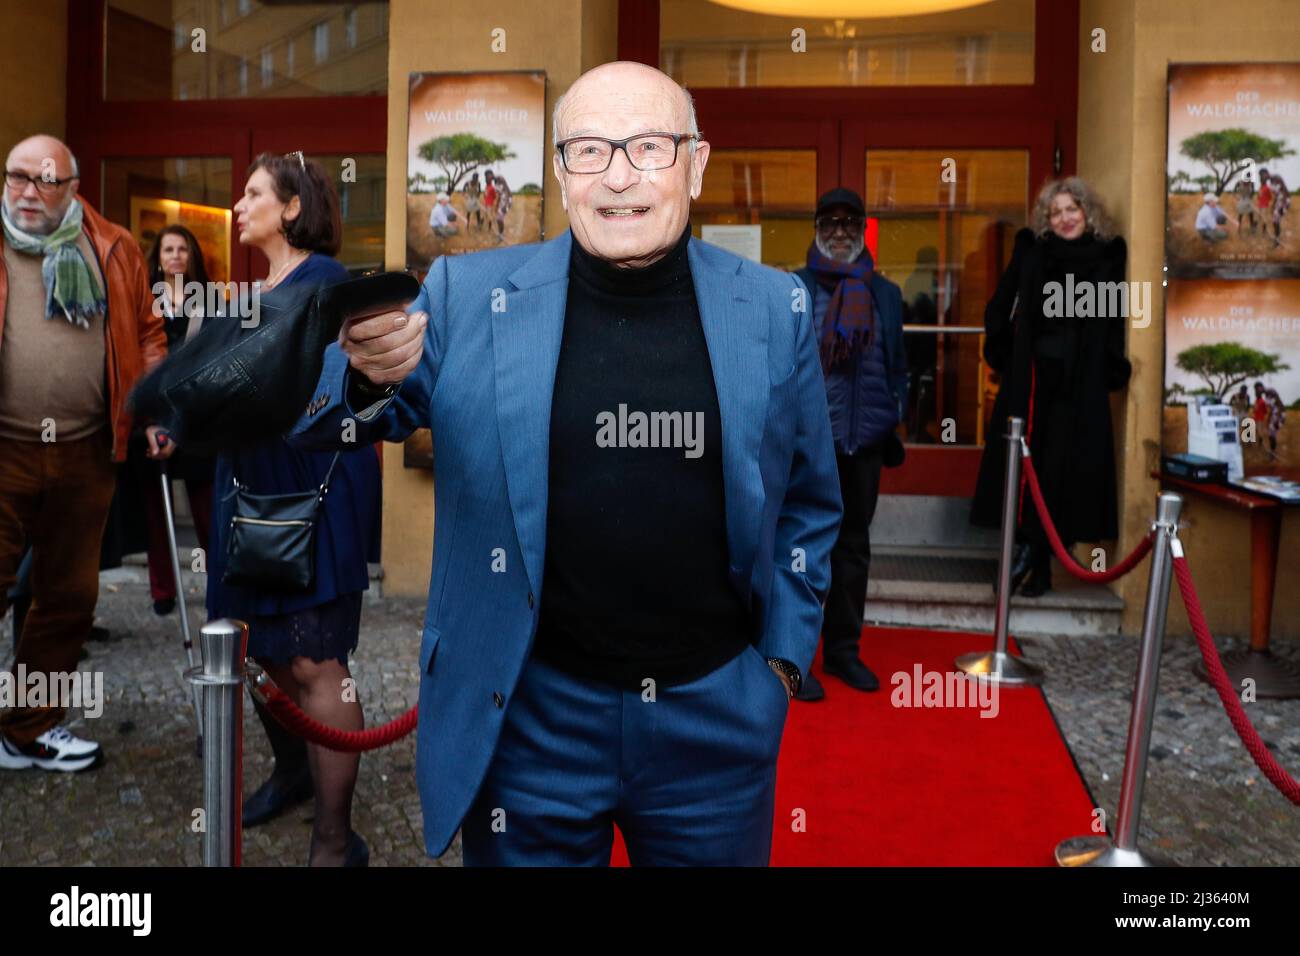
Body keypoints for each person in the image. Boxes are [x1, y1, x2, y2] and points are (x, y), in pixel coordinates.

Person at [291, 60, 840, 866]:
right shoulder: (466, 295)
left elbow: (811, 502)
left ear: (696, 163)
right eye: (590, 150)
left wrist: (781, 668)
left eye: (650, 146)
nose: (620, 176)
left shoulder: (772, 307)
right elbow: (325, 425)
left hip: (715, 722)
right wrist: (365, 373)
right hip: (529, 721)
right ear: (558, 170)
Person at [210, 152, 381, 866]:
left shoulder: (326, 285)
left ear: (289, 208)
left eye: (252, 194)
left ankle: (335, 841)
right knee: (265, 655)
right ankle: (296, 771)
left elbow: (323, 399)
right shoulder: (255, 290)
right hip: (248, 494)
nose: (238, 205)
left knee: (317, 664)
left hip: (309, 494)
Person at [0, 135, 169, 772]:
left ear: (73, 188)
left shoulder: (115, 247)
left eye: (45, 181)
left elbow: (149, 333)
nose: (27, 192)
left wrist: (154, 408)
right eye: (17, 177)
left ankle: (27, 730)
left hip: (84, 451)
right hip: (4, 448)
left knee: (67, 599)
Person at [970, 177, 1131, 598]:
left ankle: (1040, 560)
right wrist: (1005, 354)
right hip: (1034, 379)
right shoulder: (1031, 250)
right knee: (1030, 467)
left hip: (1082, 380)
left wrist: (1113, 365)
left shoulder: (1106, 255)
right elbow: (1000, 305)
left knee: (1067, 470)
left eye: (1071, 209)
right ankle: (1031, 560)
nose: (1063, 218)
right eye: (1055, 212)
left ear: (1087, 211)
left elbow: (1112, 317)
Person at [791, 187, 906, 700]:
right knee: (802, 550)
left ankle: (843, 653)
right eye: (830, 222)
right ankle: (795, 659)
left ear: (862, 229)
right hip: (810, 444)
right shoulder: (794, 288)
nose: (840, 231)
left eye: (849, 223)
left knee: (853, 549)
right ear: (817, 227)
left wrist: (894, 415)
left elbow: (898, 362)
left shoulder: (885, 293)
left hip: (865, 442)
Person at [139, 225, 216, 616]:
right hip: (157, 411)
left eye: (182, 248)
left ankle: (215, 578)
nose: (175, 256)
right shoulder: (145, 298)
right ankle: (163, 591)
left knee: (206, 505)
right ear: (158, 256)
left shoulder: (210, 298)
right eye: (168, 249)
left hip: (197, 411)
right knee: (158, 507)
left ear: (192, 254)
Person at [492, 174, 512, 243]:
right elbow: (499, 197)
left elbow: (502, 197)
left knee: (499, 219)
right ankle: (501, 234)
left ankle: (501, 235)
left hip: (506, 203)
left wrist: (498, 206)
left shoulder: (502, 186)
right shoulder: (499, 186)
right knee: (499, 219)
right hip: (504, 202)